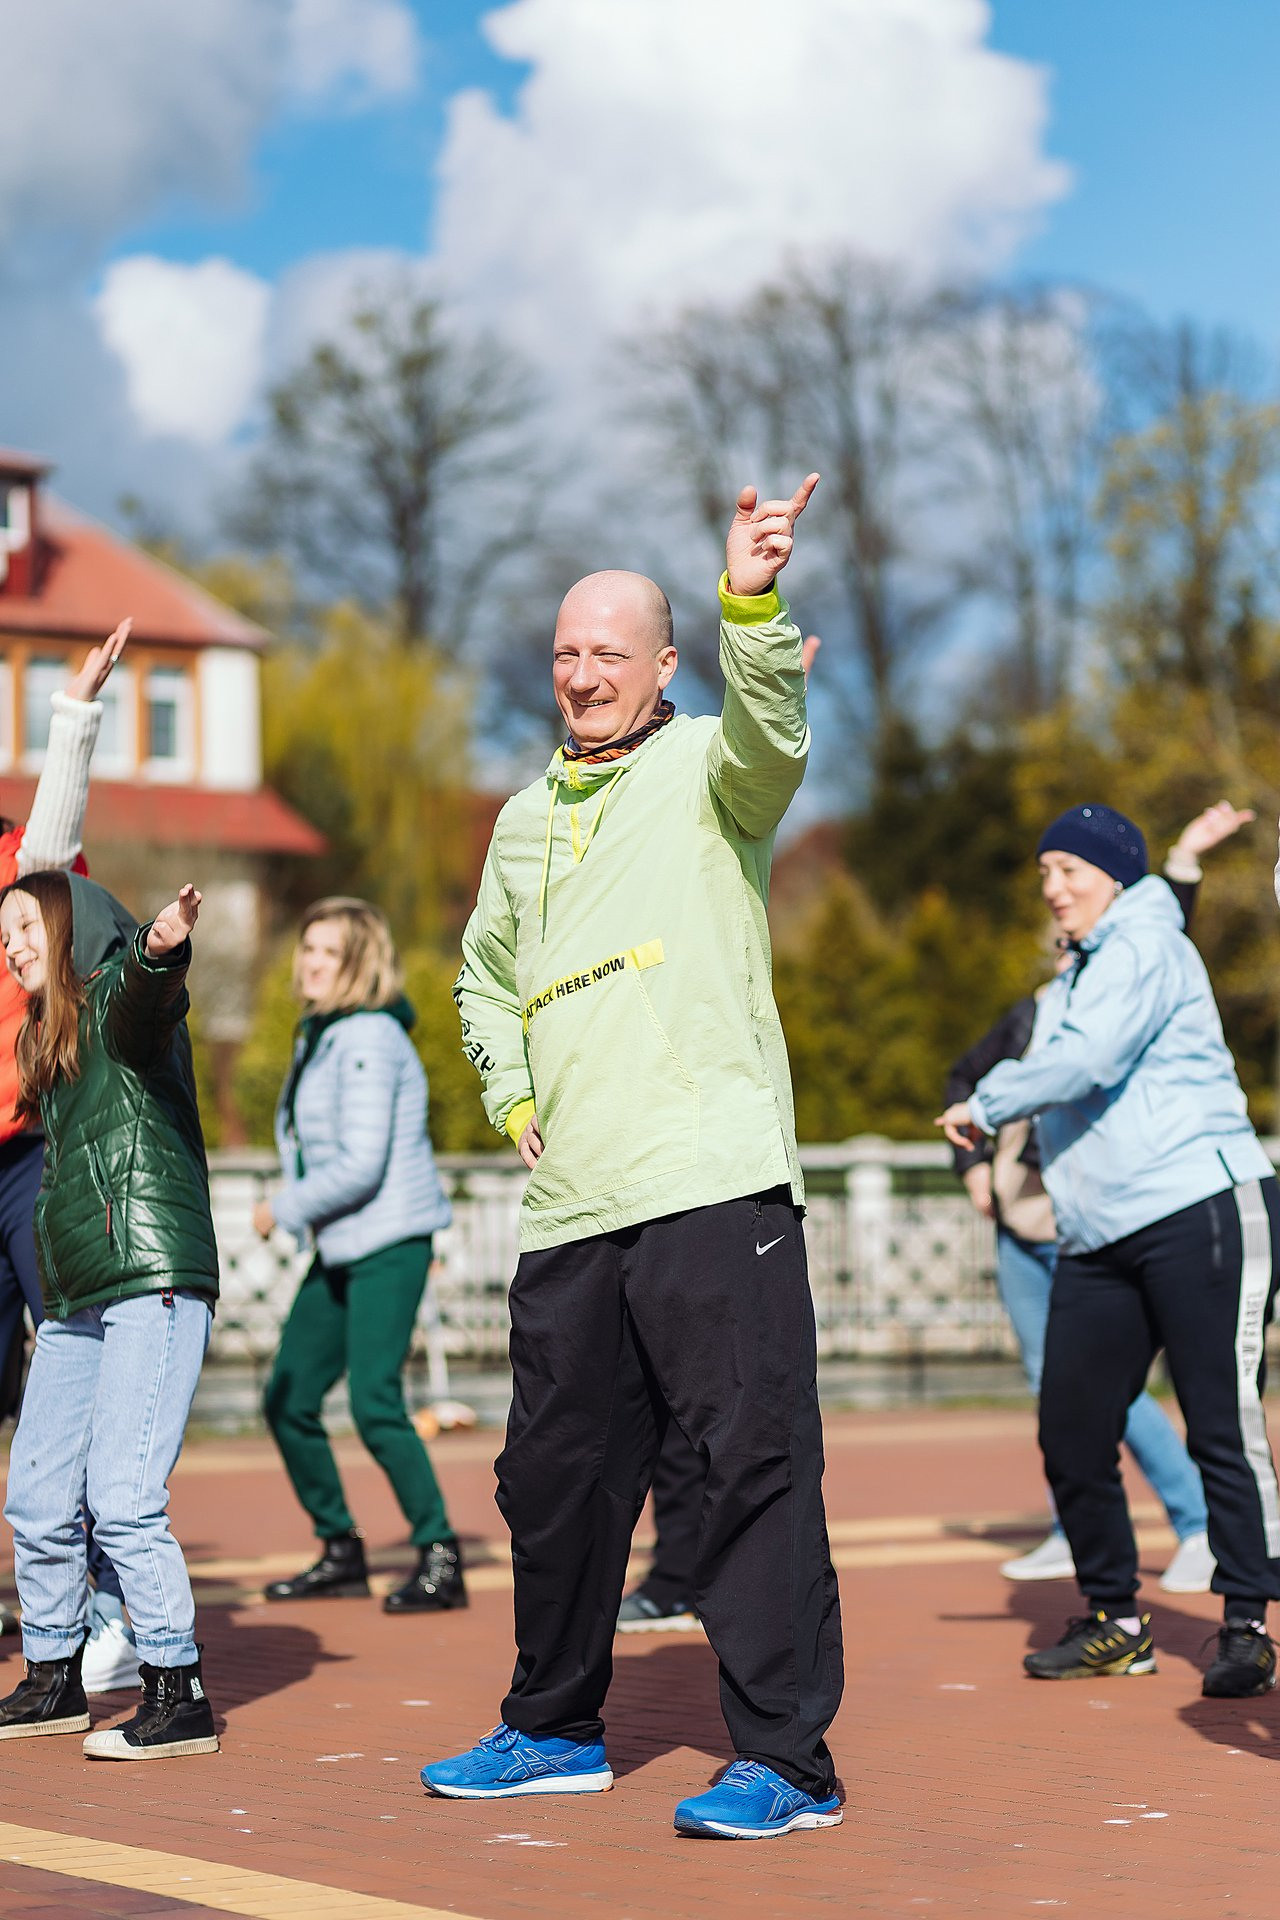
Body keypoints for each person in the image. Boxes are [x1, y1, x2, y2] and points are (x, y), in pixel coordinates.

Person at [424, 475, 844, 1842]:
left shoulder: (715, 767)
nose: (584, 672)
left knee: (747, 1466)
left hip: (711, 1182)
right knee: (549, 1485)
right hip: (570, 1206)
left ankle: (788, 1760)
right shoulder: (524, 820)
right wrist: (509, 1090)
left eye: (612, 650)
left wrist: (754, 601)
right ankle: (552, 1730)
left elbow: (776, 732)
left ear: (665, 664)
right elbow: (484, 980)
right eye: (565, 652)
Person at [938, 803, 1280, 1697]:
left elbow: (1088, 1063)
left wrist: (984, 1102)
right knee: (1072, 1423)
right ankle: (1118, 1620)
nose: (1053, 888)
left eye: (1070, 870)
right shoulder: (1082, 968)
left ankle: (1246, 1620)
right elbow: (1063, 1059)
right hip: (1099, 1233)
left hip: (1199, 1202)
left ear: (1116, 876)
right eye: (1045, 872)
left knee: (1220, 1419)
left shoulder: (1144, 946)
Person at [0, 872, 220, 1756]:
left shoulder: (113, 1013)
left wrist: (161, 945)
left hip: (149, 1279)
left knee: (122, 1497)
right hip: (80, 1296)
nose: (10, 944)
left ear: (70, 929)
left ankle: (176, 1688)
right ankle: (53, 1676)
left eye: (22, 926)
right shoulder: (43, 1038)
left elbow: (145, 993)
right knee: (36, 1493)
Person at [255, 898, 461, 1614]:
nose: (309, 961)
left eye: (328, 951)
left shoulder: (370, 1035)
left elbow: (363, 1164)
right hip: (344, 1245)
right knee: (288, 1397)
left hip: (389, 1242)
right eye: (307, 946)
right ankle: (341, 1549)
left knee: (375, 1402)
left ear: (360, 964)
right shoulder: (325, 1032)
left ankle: (441, 1555)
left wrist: (280, 1208)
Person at [0, 621, 137, 1687]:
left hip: (32, 1156)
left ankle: (105, 1600)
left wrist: (74, 715)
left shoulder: (22, 862)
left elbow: (51, 846)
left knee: (76, 1362)